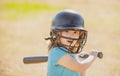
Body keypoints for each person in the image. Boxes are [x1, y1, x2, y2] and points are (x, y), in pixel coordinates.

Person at [45, 9, 99, 76]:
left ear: (80, 35)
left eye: (75, 32)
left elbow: (81, 71)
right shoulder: (57, 52)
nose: (71, 35)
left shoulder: (72, 54)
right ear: (57, 33)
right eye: (67, 31)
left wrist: (81, 60)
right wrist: (92, 56)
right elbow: (81, 67)